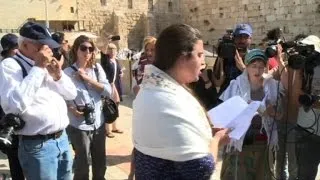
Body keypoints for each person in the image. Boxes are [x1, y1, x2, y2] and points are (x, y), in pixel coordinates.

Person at [132, 24, 230, 179]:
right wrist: (216, 140)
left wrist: (203, 135)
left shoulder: (150, 89)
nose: (203, 61)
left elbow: (172, 140)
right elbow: (200, 169)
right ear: (182, 58)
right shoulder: (168, 101)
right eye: (199, 55)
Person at [0, 22, 77, 180]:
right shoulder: (10, 65)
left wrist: (58, 76)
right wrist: (38, 68)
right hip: (38, 146)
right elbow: (13, 106)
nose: (48, 51)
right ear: (26, 45)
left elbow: (71, 94)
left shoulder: (46, 64)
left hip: (62, 140)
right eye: (42, 46)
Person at [219, 49, 283, 180]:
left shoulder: (272, 85)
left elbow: (280, 115)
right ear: (246, 67)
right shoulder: (236, 85)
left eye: (261, 67)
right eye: (254, 66)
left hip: (263, 142)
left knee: (262, 174)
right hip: (240, 143)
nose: (258, 71)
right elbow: (226, 114)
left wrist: (273, 112)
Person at [64, 35, 111, 180]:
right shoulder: (67, 73)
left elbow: (108, 91)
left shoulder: (96, 69)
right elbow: (61, 98)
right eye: (83, 48)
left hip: (98, 123)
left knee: (100, 163)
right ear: (76, 50)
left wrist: (88, 79)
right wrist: (71, 109)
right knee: (82, 165)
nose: (87, 52)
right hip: (79, 126)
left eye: (91, 49)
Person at [280, 35, 320, 180]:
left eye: (309, 50)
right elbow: (295, 100)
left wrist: (314, 102)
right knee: (305, 175)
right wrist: (297, 69)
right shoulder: (299, 68)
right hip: (306, 131)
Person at [0, 33, 24, 180]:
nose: (18, 50)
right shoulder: (5, 66)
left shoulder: (18, 65)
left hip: (16, 119)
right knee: (15, 158)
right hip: (8, 121)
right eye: (16, 48)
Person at [213, 23, 253, 95]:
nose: (242, 40)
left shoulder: (254, 57)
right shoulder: (226, 56)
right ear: (233, 38)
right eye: (239, 36)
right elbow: (217, 83)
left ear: (250, 39)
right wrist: (220, 56)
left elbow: (259, 80)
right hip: (226, 97)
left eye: (245, 37)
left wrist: (243, 68)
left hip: (246, 97)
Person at [100, 43, 123, 138]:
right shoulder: (105, 61)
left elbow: (117, 72)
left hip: (115, 86)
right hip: (107, 86)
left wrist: (120, 73)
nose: (112, 52)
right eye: (110, 50)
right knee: (107, 107)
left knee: (115, 106)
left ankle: (114, 127)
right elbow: (103, 54)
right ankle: (107, 130)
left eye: (114, 50)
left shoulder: (116, 61)